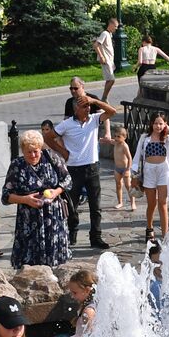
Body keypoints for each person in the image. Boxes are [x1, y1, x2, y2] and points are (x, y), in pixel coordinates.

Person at [56, 94, 118, 251]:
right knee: (72, 205)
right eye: (84, 106)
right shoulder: (67, 124)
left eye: (88, 106)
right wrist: (62, 151)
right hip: (74, 168)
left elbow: (112, 112)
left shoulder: (94, 119)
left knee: (95, 206)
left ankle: (95, 237)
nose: (88, 108)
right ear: (76, 109)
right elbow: (49, 137)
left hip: (92, 167)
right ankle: (72, 233)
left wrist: (95, 101)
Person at [1, 130, 71, 269]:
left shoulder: (51, 158)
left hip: (52, 217)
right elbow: (5, 195)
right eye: (29, 152)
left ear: (41, 148)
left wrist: (55, 192)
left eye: (36, 151)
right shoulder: (17, 165)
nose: (33, 155)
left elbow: (67, 180)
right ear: (23, 150)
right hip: (28, 219)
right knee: (29, 261)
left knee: (54, 260)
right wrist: (25, 199)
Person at [132, 112, 169, 239]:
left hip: (163, 171)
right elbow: (137, 156)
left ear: (165, 124)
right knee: (152, 203)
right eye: (155, 123)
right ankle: (149, 227)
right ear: (151, 124)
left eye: (161, 123)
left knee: (162, 203)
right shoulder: (145, 138)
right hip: (149, 171)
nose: (158, 126)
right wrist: (133, 175)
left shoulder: (167, 139)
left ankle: (165, 234)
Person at [94, 17, 119, 100]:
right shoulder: (105, 33)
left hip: (109, 60)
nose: (116, 28)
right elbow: (96, 45)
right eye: (115, 26)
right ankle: (104, 98)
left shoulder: (109, 34)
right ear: (111, 24)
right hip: (106, 60)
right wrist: (101, 56)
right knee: (112, 80)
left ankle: (105, 98)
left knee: (109, 80)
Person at [111, 126, 134, 212]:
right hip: (117, 168)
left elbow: (129, 158)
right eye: (115, 136)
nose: (116, 138)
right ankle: (120, 202)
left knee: (128, 186)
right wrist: (103, 140)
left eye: (118, 137)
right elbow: (110, 141)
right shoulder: (115, 143)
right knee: (118, 185)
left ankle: (132, 202)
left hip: (125, 168)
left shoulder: (125, 146)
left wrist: (128, 169)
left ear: (124, 137)